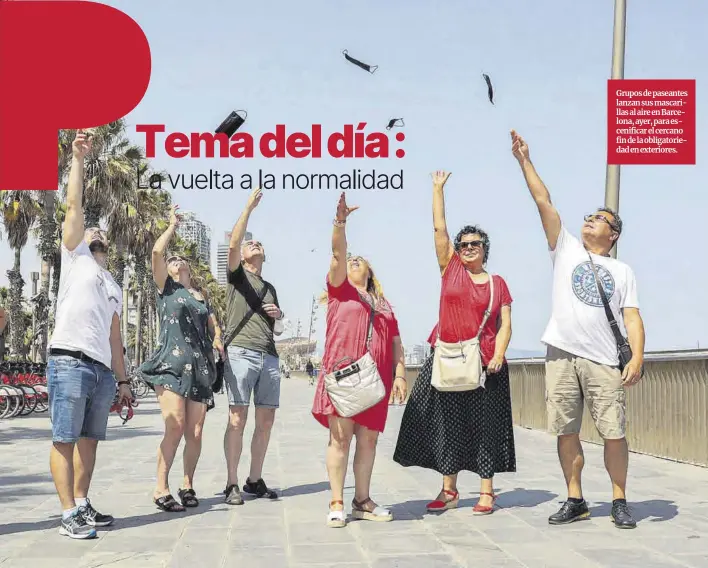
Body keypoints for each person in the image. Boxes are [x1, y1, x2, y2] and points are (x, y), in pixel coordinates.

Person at [511, 130, 645, 529]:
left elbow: (633, 318)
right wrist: (524, 160)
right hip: (561, 354)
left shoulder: (622, 270)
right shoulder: (566, 248)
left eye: (599, 219)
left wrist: (637, 356)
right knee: (566, 430)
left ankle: (619, 499)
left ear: (613, 234)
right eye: (588, 216)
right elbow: (543, 201)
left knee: (613, 432)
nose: (590, 220)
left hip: (604, 360)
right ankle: (575, 498)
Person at [393, 171, 516, 515]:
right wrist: (436, 189)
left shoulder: (497, 282)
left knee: (485, 426)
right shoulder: (451, 269)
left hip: (486, 361)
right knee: (446, 425)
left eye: (474, 244)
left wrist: (500, 355)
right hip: (445, 356)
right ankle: (448, 490)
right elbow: (439, 229)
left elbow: (505, 324)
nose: (468, 248)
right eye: (463, 244)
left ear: (484, 249)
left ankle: (486, 492)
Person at [47, 130, 132, 539]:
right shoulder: (75, 255)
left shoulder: (112, 283)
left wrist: (125, 379)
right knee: (65, 438)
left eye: (99, 232)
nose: (94, 231)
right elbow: (73, 204)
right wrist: (78, 160)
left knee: (90, 440)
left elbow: (116, 340)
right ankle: (67, 515)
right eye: (89, 229)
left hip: (101, 369)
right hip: (69, 359)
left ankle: (82, 504)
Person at [312, 192, 407, 528]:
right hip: (344, 376)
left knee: (368, 440)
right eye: (350, 259)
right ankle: (337, 500)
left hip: (376, 380)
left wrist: (399, 374)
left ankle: (362, 500)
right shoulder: (341, 290)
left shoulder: (384, 304)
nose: (352, 260)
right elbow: (338, 252)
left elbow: (396, 342)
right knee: (340, 437)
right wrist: (340, 222)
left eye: (359, 259)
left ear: (370, 271)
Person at [139, 205, 222, 512]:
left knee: (195, 431)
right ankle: (160, 488)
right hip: (172, 365)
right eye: (172, 262)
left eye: (180, 261)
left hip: (200, 367)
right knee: (175, 426)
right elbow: (157, 254)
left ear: (189, 269)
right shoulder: (166, 289)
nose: (175, 263)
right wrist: (172, 226)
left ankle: (187, 484)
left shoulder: (199, 296)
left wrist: (217, 338)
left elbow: (213, 323)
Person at [222, 188, 285, 505]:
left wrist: (278, 315)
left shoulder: (270, 287)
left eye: (258, 243)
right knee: (237, 418)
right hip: (241, 352)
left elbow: (279, 327)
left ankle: (254, 479)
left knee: (266, 421)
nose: (254, 244)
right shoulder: (237, 277)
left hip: (269, 356)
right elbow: (234, 243)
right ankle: (231, 483)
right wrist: (248, 206)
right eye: (250, 243)